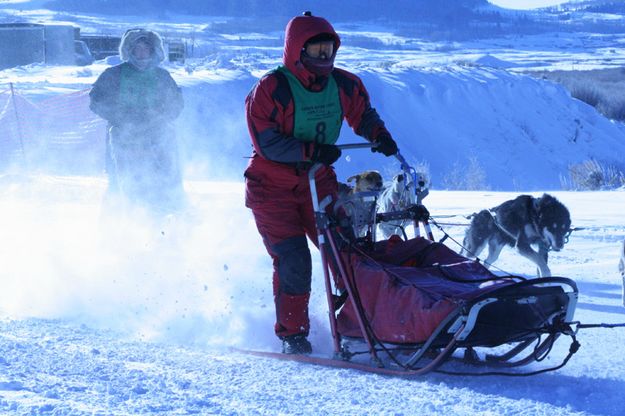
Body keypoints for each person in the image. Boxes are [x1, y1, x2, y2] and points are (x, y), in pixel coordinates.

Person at [244, 12, 398, 354]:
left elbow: (362, 113)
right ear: (297, 51)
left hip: (319, 181)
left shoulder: (344, 85)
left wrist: (378, 134)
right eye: (316, 51)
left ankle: (361, 322)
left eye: (328, 51)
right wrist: (311, 151)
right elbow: (266, 142)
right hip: (272, 188)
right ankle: (293, 336)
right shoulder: (272, 89)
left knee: (346, 248)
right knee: (294, 259)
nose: (324, 58)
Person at [89, 28, 185, 215]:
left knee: (164, 180)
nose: (141, 53)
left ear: (153, 51)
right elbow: (96, 100)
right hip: (123, 138)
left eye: (145, 49)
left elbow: (176, 103)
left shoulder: (162, 76)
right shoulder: (114, 74)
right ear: (129, 50)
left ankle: (165, 223)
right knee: (121, 183)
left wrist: (160, 118)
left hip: (158, 138)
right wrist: (121, 119)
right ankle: (117, 227)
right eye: (137, 48)